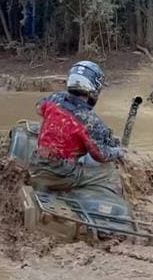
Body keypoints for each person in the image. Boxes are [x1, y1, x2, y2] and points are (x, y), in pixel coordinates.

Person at [29, 61, 125, 195]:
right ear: (95, 87)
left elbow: (39, 108)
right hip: (61, 174)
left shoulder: (54, 99)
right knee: (108, 171)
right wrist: (120, 152)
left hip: (36, 165)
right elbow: (101, 156)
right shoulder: (91, 121)